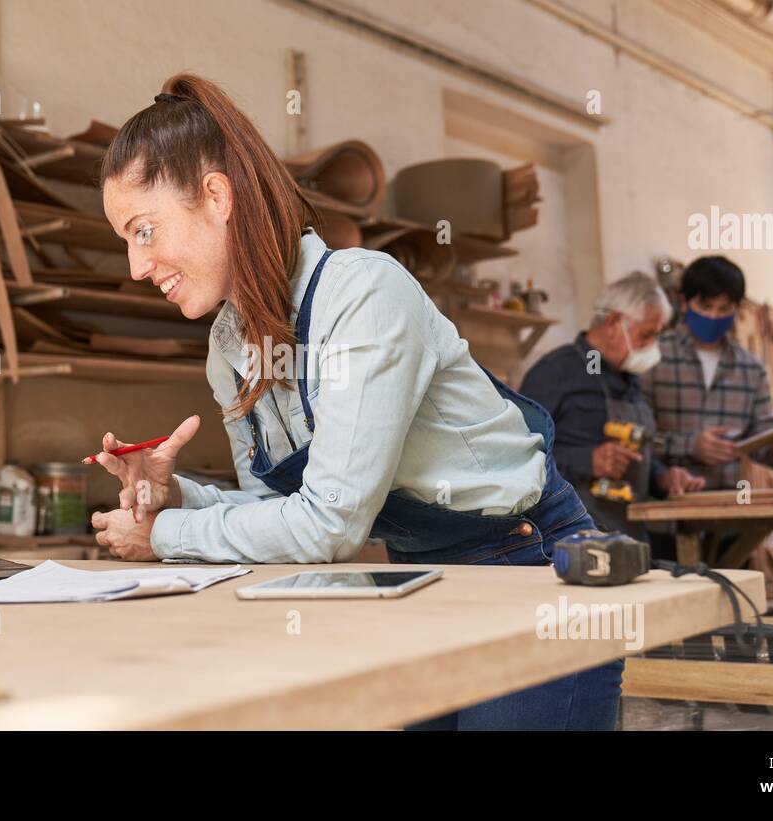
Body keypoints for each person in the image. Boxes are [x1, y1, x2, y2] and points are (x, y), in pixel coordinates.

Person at [88, 73, 623, 730]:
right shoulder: (228, 347)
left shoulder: (363, 294)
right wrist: (177, 499)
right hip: (423, 580)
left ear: (217, 197)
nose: (136, 267)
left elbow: (327, 526)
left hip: (530, 565)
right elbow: (276, 514)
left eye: (144, 230)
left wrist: (164, 536)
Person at [641, 256, 773, 558]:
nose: (714, 317)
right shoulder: (652, 358)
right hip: (666, 517)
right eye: (706, 307)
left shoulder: (751, 368)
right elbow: (635, 436)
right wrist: (690, 446)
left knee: (733, 601)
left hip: (730, 517)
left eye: (724, 309)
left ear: (737, 309)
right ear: (684, 302)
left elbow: (762, 443)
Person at [520, 272, 703, 540]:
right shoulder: (554, 372)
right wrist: (587, 460)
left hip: (631, 534)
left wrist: (663, 477)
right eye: (647, 335)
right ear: (614, 322)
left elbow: (638, 454)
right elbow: (519, 457)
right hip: (571, 539)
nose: (652, 347)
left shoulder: (630, 379)